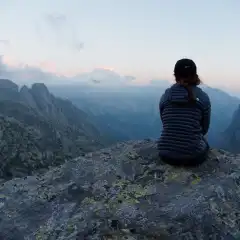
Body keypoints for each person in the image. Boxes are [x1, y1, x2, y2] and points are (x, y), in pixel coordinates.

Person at [158, 58, 211, 167]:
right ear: (195, 75)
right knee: (205, 142)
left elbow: (165, 122)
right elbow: (204, 129)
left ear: (175, 76)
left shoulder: (166, 96)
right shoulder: (203, 98)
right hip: (193, 157)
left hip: (165, 155)